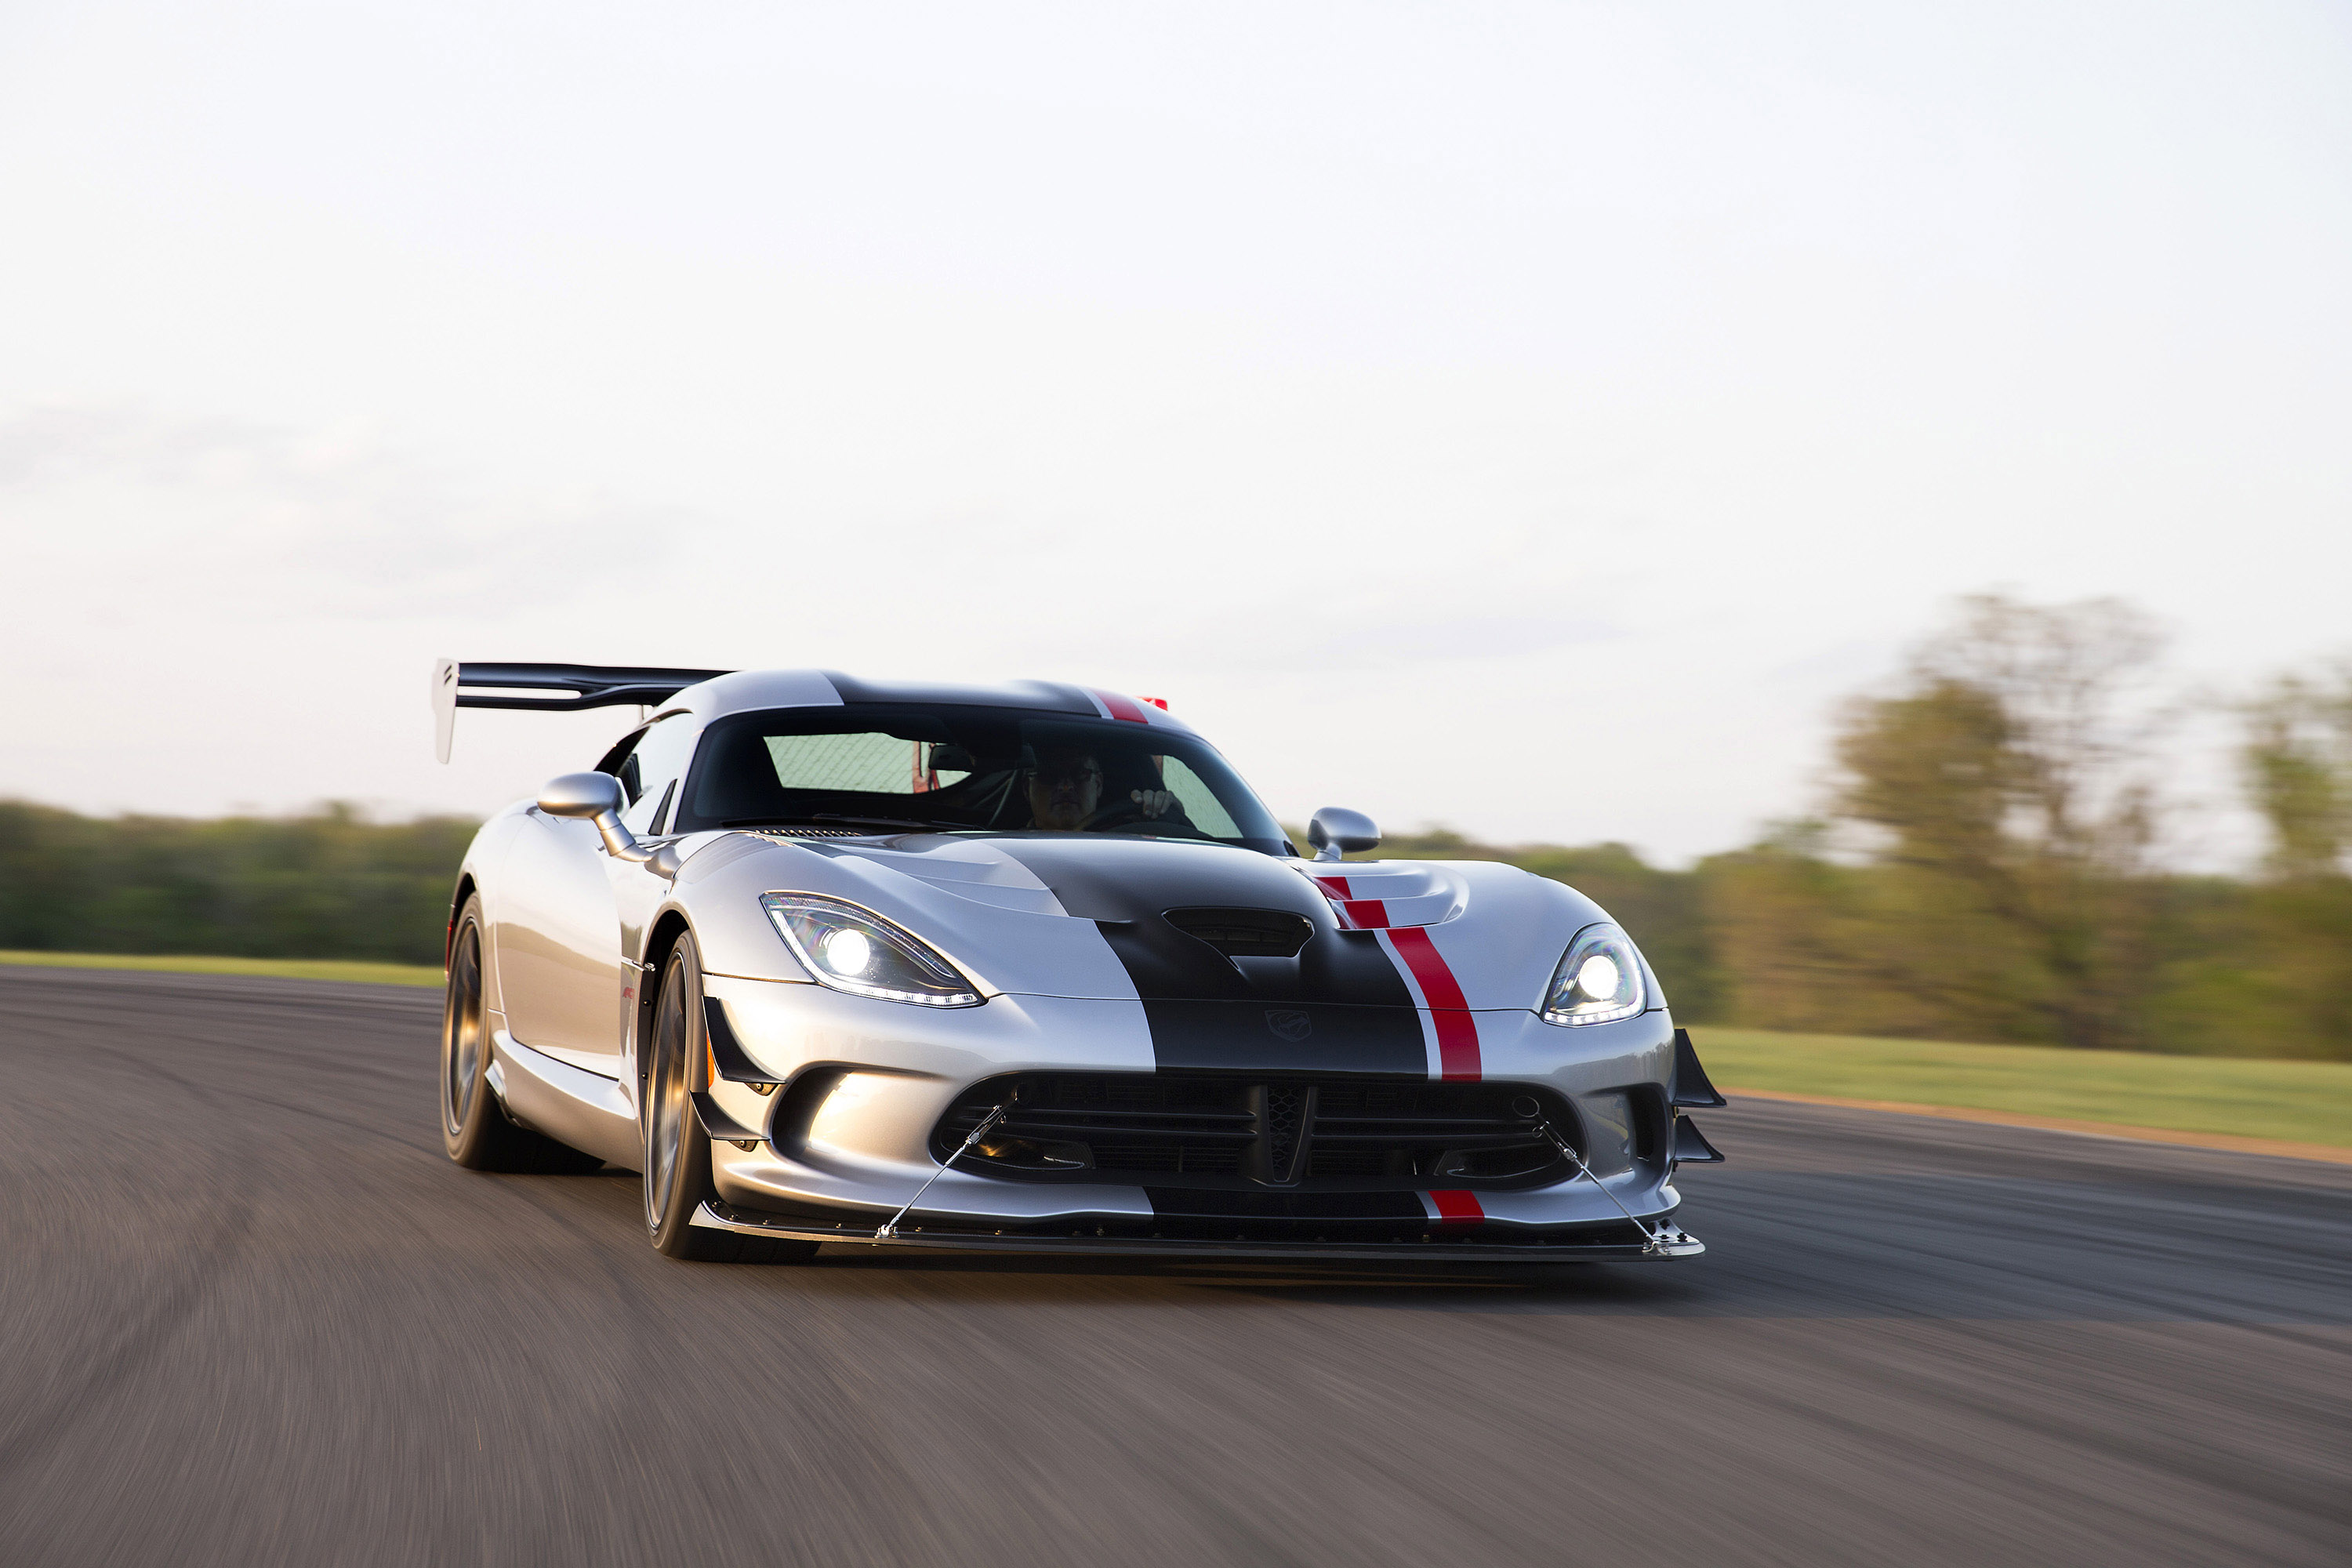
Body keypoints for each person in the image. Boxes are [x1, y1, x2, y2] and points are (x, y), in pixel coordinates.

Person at [1023, 745, 1177, 832]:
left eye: (1080, 774)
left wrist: (1168, 816)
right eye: (1050, 775)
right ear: (1026, 788)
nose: (1066, 787)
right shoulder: (1005, 849)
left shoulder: (1134, 838)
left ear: (1098, 784)